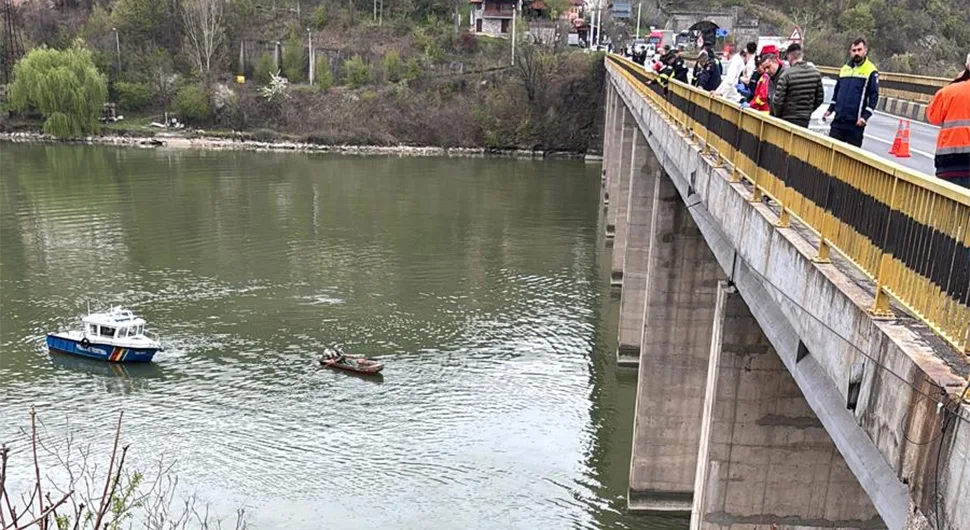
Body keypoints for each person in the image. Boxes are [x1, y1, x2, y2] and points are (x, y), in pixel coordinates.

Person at [823, 38, 879, 148]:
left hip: (855, 124)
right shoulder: (844, 69)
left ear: (865, 51)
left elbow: (874, 96)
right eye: (854, 50)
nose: (856, 53)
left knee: (850, 156)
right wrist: (830, 109)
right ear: (850, 52)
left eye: (859, 50)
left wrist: (864, 117)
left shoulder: (871, 70)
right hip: (838, 121)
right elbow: (837, 92)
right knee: (831, 152)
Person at [926, 53, 970, 188]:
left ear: (967, 66)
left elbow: (932, 116)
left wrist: (956, 82)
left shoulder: (949, 92)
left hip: (948, 165)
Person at [771, 43, 825, 128]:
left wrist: (778, 115)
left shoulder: (786, 75)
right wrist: (807, 111)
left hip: (786, 119)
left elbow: (778, 101)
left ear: (789, 56)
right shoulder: (815, 73)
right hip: (804, 120)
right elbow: (820, 99)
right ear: (801, 55)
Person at [749, 46, 785, 112]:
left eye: (768, 67)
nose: (766, 71)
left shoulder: (784, 75)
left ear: (775, 60)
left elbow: (763, 96)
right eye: (764, 68)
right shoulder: (770, 76)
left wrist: (751, 105)